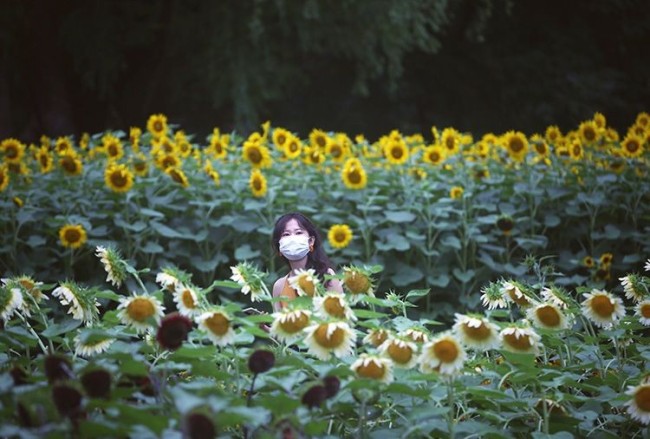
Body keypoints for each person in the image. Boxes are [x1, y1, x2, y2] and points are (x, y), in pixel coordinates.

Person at [271, 212, 343, 311]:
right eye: (286, 234)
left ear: (311, 241)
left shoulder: (327, 276)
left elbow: (340, 318)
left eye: (299, 232)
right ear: (279, 246)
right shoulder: (279, 286)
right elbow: (280, 324)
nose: (292, 238)